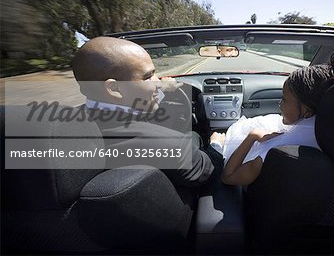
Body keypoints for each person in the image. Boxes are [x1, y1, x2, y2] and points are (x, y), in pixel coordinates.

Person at [72, 36, 223, 188]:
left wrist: (163, 90)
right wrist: (217, 143)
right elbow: (209, 172)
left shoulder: (71, 126)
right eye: (148, 76)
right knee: (195, 136)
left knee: (193, 136)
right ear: (114, 88)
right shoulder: (173, 146)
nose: (158, 81)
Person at [217, 49, 334, 185]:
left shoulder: (276, 149)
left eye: (284, 99)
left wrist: (251, 136)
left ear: (306, 110)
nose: (280, 104)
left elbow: (228, 177)